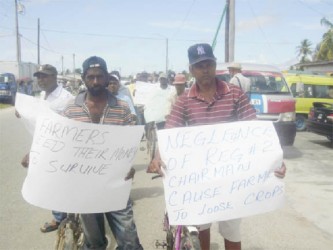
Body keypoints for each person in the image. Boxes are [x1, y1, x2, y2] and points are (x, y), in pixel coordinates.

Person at [147, 43, 287, 250]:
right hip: (200, 179)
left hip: (232, 178)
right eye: (199, 65)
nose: (205, 69)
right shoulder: (184, 101)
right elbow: (170, 132)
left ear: (214, 65)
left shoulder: (235, 94)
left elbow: (255, 131)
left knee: (232, 231)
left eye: (208, 64)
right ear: (191, 70)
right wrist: (159, 156)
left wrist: (275, 161)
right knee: (201, 227)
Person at [61, 56, 143, 250]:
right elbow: (60, 143)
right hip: (85, 187)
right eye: (91, 77)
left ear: (107, 77)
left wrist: (128, 165)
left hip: (115, 185)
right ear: (83, 78)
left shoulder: (122, 108)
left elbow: (130, 142)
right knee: (94, 244)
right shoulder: (71, 109)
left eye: (100, 76)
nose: (96, 81)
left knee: (129, 242)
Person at [19, 64, 74, 233]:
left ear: (55, 77)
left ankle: (72, 214)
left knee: (63, 183)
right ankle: (59, 217)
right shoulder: (42, 95)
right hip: (44, 145)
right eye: (39, 76)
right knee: (50, 183)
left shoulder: (67, 98)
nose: (41, 80)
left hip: (63, 148)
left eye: (45, 76)